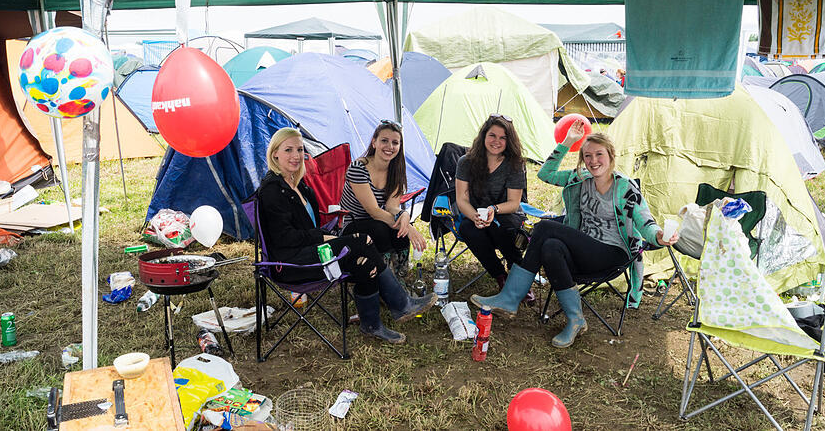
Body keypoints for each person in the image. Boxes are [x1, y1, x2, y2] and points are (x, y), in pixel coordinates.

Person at [471, 122, 677, 348]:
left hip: (612, 253)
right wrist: (568, 141)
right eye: (587, 156)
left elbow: (644, 221)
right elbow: (545, 174)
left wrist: (658, 235)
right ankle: (575, 320)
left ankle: (511, 297)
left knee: (544, 228)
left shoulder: (624, 187)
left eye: (599, 154)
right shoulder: (580, 178)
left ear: (611, 156)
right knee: (550, 246)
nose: (593, 160)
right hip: (582, 251)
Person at [257, 128, 436, 344]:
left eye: (300, 149)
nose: (296, 155)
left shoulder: (300, 186)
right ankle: (401, 303)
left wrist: (327, 238)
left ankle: (372, 325)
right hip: (290, 263)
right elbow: (285, 239)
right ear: (275, 154)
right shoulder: (272, 191)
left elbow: (309, 229)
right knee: (362, 241)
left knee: (364, 262)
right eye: (288, 150)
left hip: (310, 251)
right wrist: (327, 238)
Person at [454, 114, 533, 302]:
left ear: (509, 141)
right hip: (477, 215)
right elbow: (461, 199)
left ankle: (519, 277)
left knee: (500, 226)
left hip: (507, 214)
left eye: (503, 137)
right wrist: (474, 216)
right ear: (484, 136)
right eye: (492, 135)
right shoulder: (466, 162)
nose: (496, 141)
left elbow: (514, 203)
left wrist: (493, 210)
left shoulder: (514, 164)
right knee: (467, 228)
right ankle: (501, 276)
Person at [340, 120, 427, 279]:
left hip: (377, 221)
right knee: (382, 229)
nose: (390, 146)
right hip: (350, 224)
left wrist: (403, 215)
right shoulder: (358, 168)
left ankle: (400, 280)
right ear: (374, 142)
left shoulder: (396, 170)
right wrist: (408, 227)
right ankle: (386, 281)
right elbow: (373, 211)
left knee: (399, 232)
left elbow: (391, 207)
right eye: (384, 141)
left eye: (395, 142)